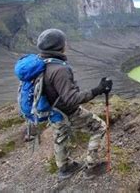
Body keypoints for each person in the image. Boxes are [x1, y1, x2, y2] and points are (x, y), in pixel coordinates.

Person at [36, 28, 113, 180]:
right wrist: (97, 90)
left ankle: (64, 167)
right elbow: (71, 99)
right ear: (58, 46)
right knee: (99, 127)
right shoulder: (60, 70)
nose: (66, 44)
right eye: (64, 41)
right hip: (67, 111)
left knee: (61, 136)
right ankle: (92, 167)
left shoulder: (41, 63)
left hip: (52, 111)